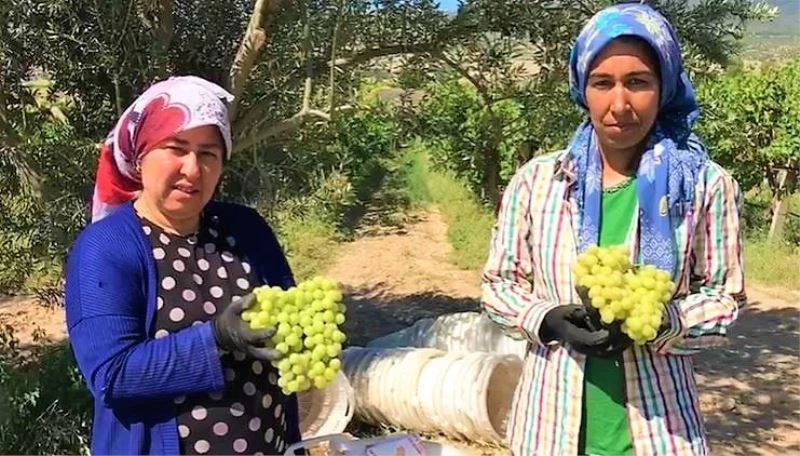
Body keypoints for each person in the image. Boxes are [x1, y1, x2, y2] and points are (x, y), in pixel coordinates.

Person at [480, 4, 745, 456]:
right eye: (602, 83)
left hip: (661, 434)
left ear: (664, 87)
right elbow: (497, 286)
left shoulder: (704, 185)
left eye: (638, 82)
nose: (619, 104)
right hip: (547, 430)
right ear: (582, 88)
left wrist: (668, 321)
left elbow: (725, 297)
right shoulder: (538, 181)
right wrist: (546, 319)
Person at [64, 76, 302, 455]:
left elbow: (291, 317)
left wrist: (306, 331)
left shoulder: (247, 229)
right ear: (140, 157)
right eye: (176, 148)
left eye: (208, 154)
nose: (192, 169)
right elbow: (111, 375)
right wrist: (218, 338)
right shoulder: (104, 248)